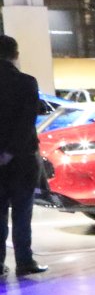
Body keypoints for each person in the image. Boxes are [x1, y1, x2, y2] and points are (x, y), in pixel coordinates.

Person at [0, 35, 45, 277]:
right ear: (15, 55)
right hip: (22, 159)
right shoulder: (27, 83)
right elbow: (26, 122)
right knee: (22, 212)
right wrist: (9, 152)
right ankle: (25, 261)